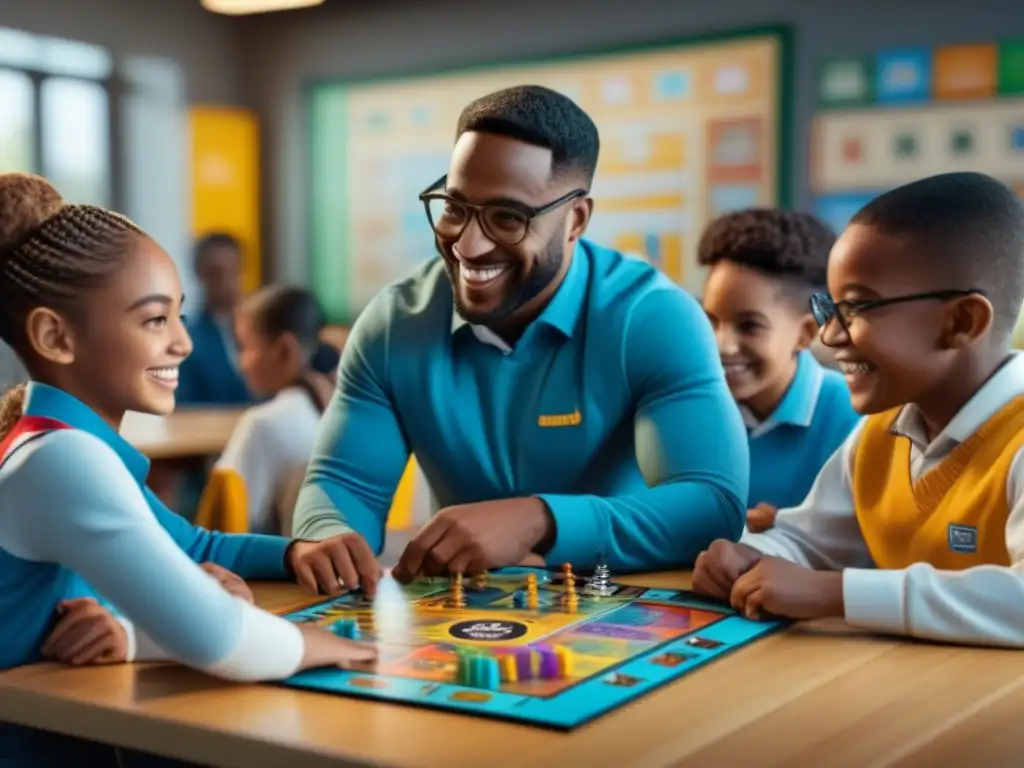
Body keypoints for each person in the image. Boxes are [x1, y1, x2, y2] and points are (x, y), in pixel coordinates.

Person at [293, 84, 749, 586]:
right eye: (455, 207)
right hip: (461, 617)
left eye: (507, 218)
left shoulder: (653, 319)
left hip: (624, 608)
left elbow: (711, 505)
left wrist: (539, 520)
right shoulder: (392, 324)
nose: (468, 244)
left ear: (575, 220)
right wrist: (328, 532)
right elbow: (344, 484)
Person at [0, 173, 378, 766]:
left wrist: (291, 554)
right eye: (154, 320)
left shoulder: (67, 447)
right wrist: (324, 645)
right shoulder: (59, 459)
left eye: (179, 316)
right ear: (55, 335)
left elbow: (195, 543)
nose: (183, 343)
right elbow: (218, 639)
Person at [692, 171, 1024, 648]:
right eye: (832, 309)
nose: (829, 336)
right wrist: (748, 557)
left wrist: (838, 594)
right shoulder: (878, 433)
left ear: (960, 322)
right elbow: (810, 541)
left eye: (859, 308)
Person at [698, 209, 859, 532]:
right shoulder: (694, 408)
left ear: (806, 333)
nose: (721, 344)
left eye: (749, 326)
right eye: (711, 320)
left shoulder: (853, 421)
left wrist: (790, 529)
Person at [203, 284, 336, 533]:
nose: (241, 364)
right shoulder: (339, 410)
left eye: (245, 347)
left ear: (285, 350)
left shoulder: (263, 424)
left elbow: (222, 523)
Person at [176, 233, 251, 406]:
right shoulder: (187, 340)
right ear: (199, 274)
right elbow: (185, 407)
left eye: (234, 271)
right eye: (216, 273)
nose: (227, 282)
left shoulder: (264, 331)